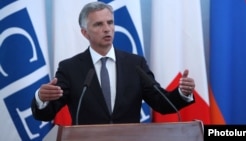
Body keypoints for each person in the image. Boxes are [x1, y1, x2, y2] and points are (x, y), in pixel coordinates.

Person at [31, 1, 195, 125]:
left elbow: (162, 103)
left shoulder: (135, 64)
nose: (107, 28)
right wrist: (41, 98)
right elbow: (45, 114)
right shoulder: (70, 68)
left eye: (110, 22)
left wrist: (182, 92)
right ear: (84, 33)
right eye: (98, 24)